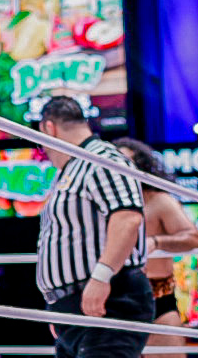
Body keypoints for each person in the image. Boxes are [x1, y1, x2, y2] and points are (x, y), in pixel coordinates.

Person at [36, 97, 153, 358]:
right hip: (77, 306)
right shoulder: (74, 168)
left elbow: (127, 217)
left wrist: (101, 277)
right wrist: (58, 307)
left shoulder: (102, 159)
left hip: (110, 299)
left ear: (48, 128)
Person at [114, 138, 198, 356]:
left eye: (126, 163)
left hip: (157, 298)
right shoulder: (102, 204)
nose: (119, 169)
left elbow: (194, 238)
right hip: (114, 299)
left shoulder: (159, 201)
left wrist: (156, 242)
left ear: (141, 167)